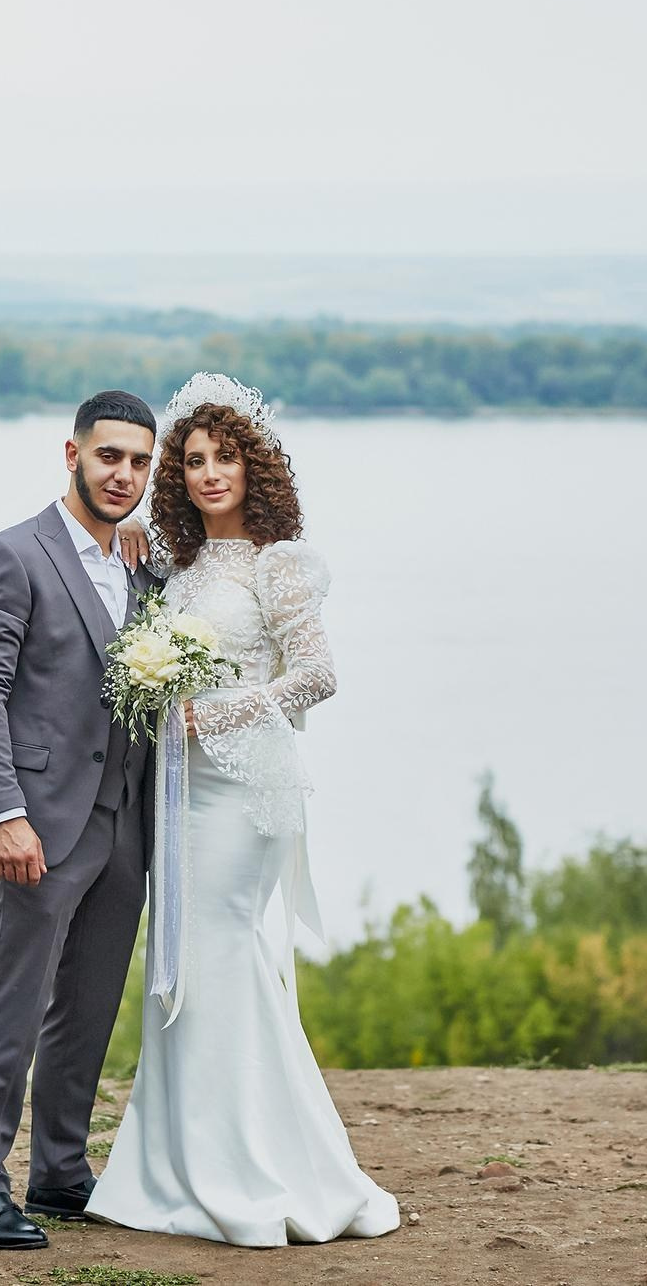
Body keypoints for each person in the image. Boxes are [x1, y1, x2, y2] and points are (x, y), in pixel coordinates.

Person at [87, 373, 401, 1246]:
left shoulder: (281, 562)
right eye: (191, 460)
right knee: (181, 953)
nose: (208, 471)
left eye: (225, 456)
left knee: (221, 949)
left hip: (244, 786)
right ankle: (177, 1164)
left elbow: (319, 675)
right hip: (178, 790)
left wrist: (211, 711)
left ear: (253, 465)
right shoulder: (177, 563)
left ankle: (259, 1167)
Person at [0, 390, 159, 1250]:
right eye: (111, 456)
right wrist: (4, 811)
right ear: (71, 454)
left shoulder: (143, 564)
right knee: (16, 1000)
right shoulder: (11, 554)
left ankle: (62, 1171)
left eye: (141, 462)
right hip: (37, 824)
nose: (126, 475)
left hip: (123, 823)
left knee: (88, 1003)